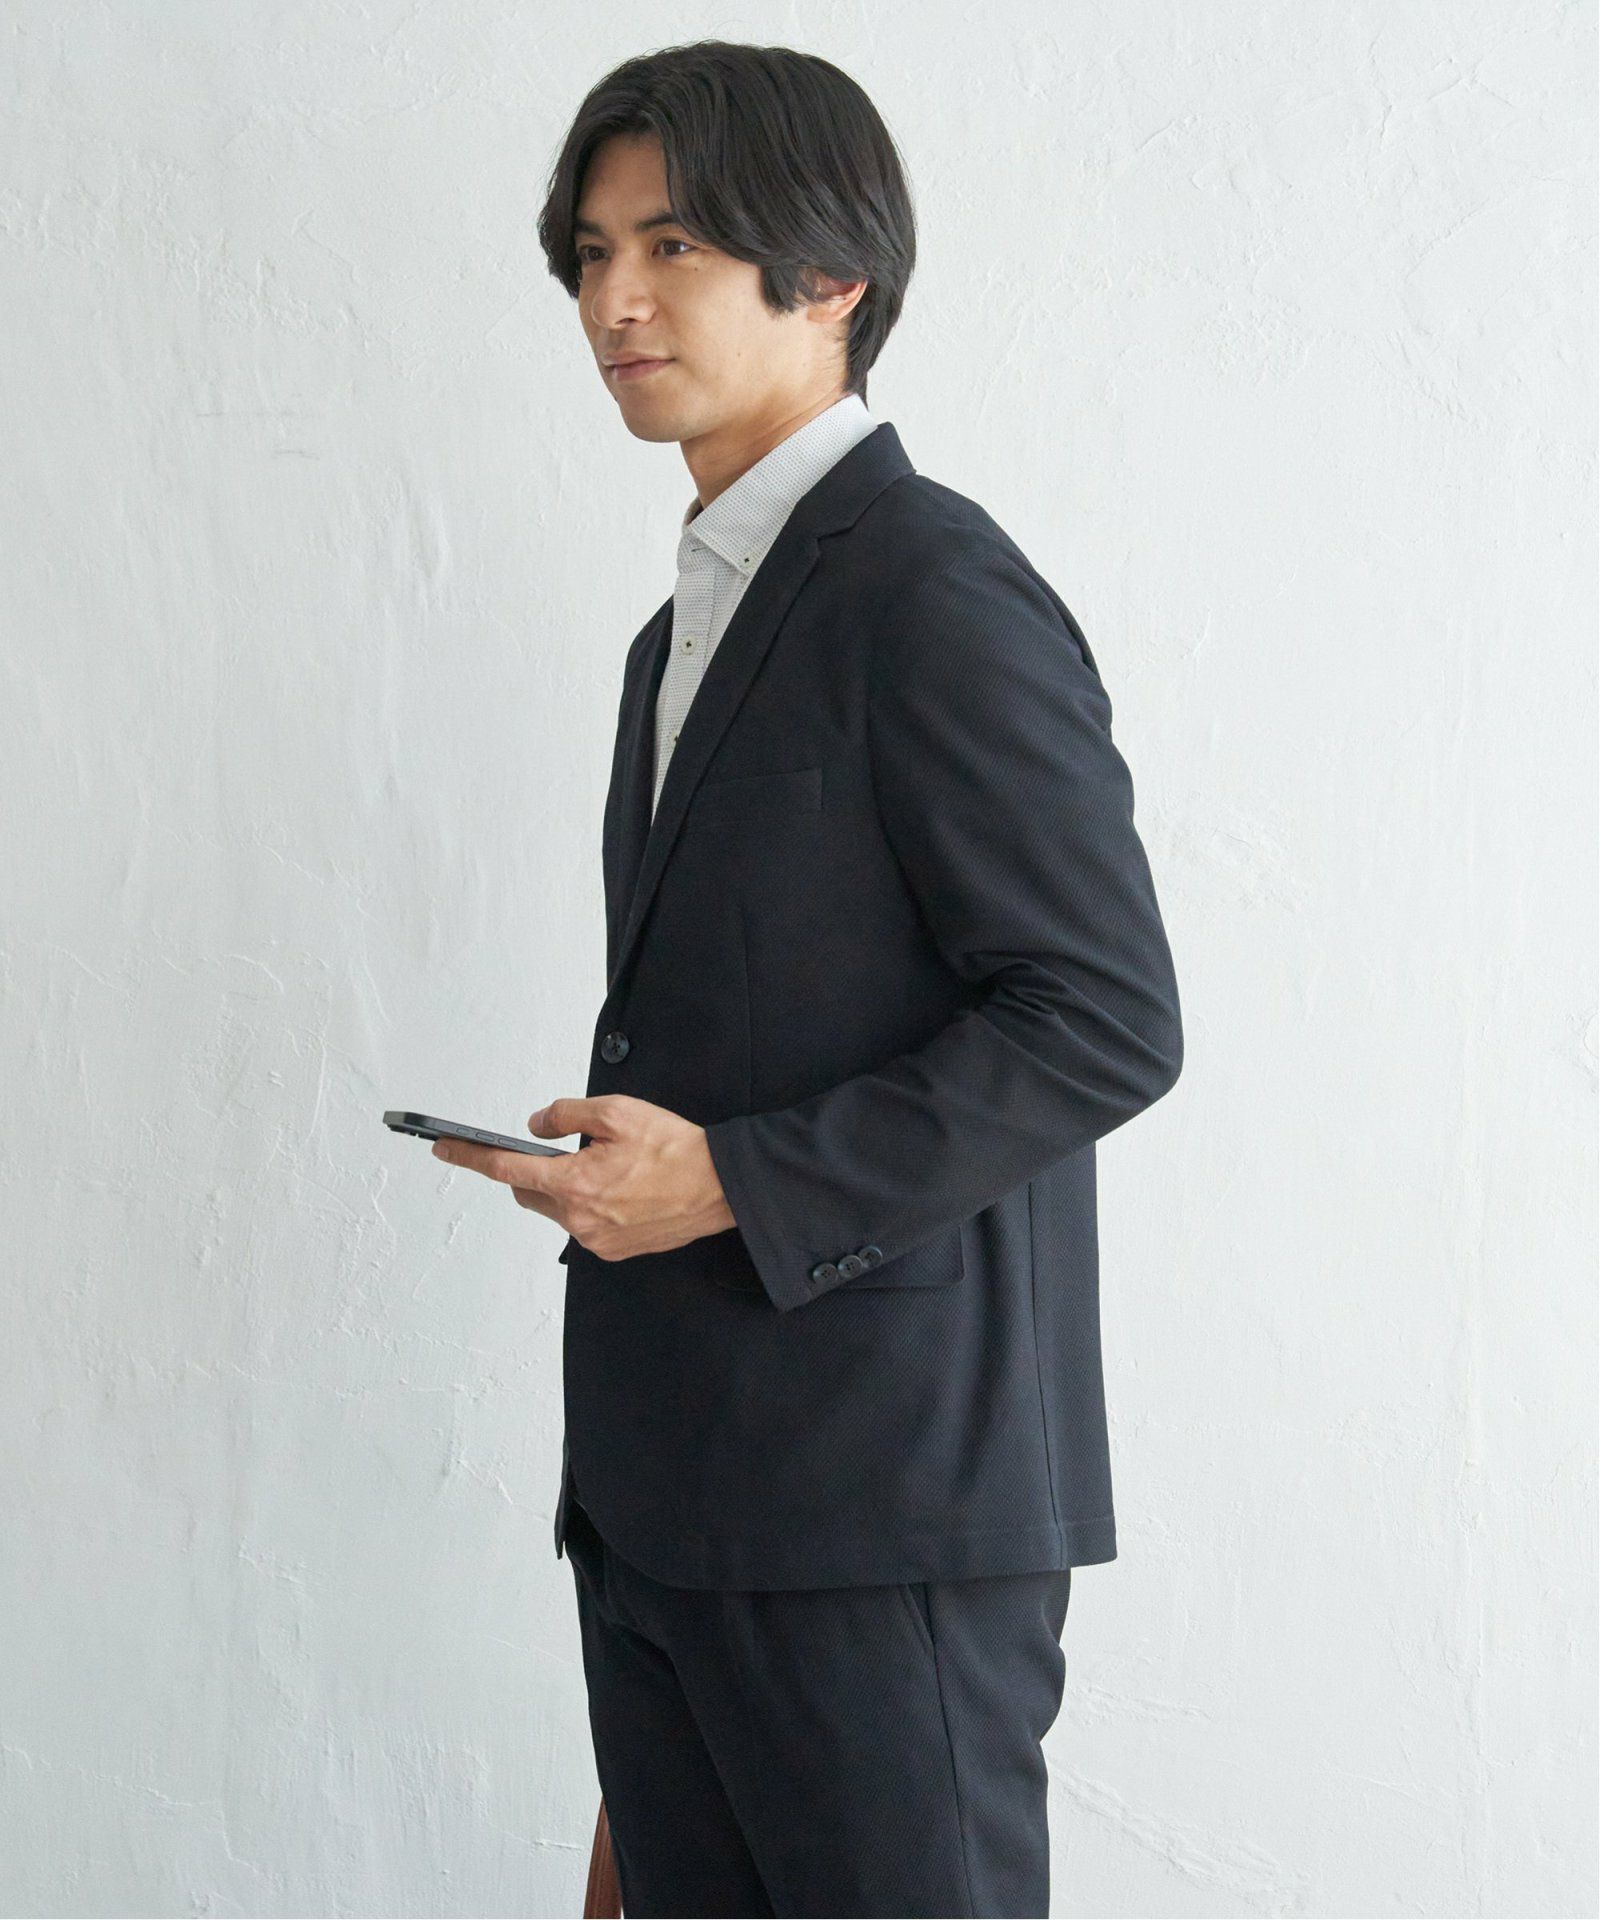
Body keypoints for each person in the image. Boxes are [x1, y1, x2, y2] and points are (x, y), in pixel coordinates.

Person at [433, 39, 1184, 1918]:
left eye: (672, 246)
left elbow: (1104, 1016)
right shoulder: (679, 632)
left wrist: (730, 1182)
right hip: (677, 1510)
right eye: (591, 255)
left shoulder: (931, 589)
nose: (614, 301)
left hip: (879, 1521)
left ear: (831, 272)